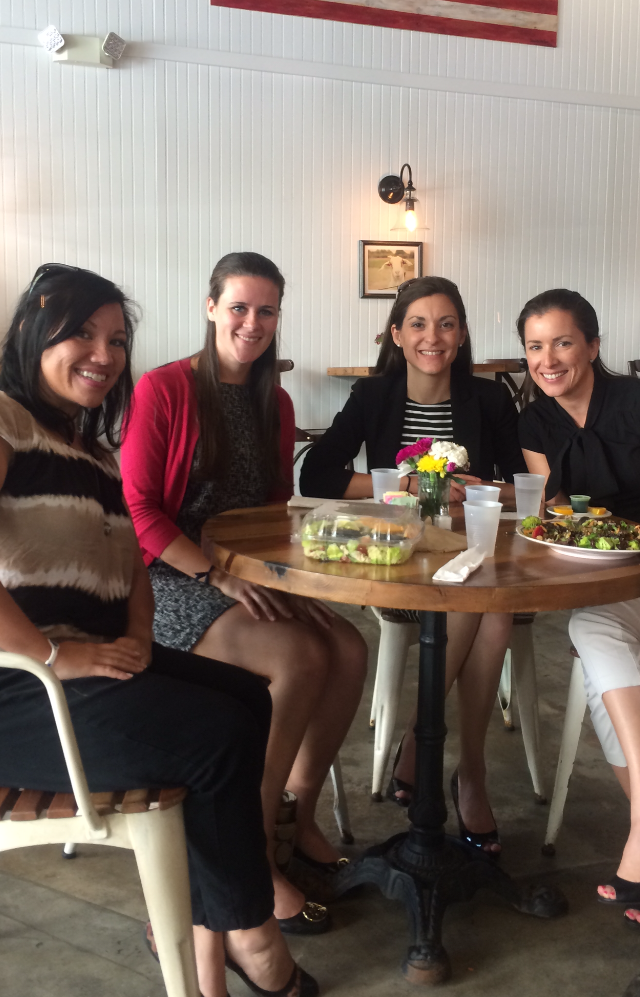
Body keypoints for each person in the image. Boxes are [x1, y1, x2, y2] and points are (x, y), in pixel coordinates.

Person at [0, 263, 317, 997]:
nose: (104, 355)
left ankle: (216, 934)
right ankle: (251, 937)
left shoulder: (86, 448)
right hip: (20, 689)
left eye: (116, 340)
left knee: (247, 699)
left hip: (81, 665)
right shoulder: (7, 421)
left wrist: (142, 635)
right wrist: (54, 654)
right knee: (214, 736)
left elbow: (132, 566)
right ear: (33, 334)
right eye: (82, 334)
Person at [121, 251, 367, 930]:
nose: (251, 323)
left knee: (348, 648)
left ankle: (298, 817)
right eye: (238, 307)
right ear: (211, 308)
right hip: (168, 575)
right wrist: (215, 574)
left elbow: (274, 507)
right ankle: (251, 850)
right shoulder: (163, 388)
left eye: (266, 311)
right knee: (299, 657)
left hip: (244, 571)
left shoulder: (275, 401)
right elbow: (140, 510)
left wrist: (288, 578)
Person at [301, 275, 527, 854]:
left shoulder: (489, 399)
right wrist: (403, 484)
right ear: (397, 334)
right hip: (398, 556)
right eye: (419, 324)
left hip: (475, 552)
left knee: (492, 609)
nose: (434, 337)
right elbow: (317, 474)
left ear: (463, 334)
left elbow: (522, 485)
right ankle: (459, 770)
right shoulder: (374, 396)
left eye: (447, 324)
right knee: (488, 607)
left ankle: (449, 760)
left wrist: (477, 488)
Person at [517, 287, 640, 926]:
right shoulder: (536, 422)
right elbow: (555, 511)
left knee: (595, 652)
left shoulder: (635, 402)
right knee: (592, 628)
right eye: (535, 346)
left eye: (563, 342)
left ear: (593, 345)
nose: (548, 360)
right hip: (607, 583)